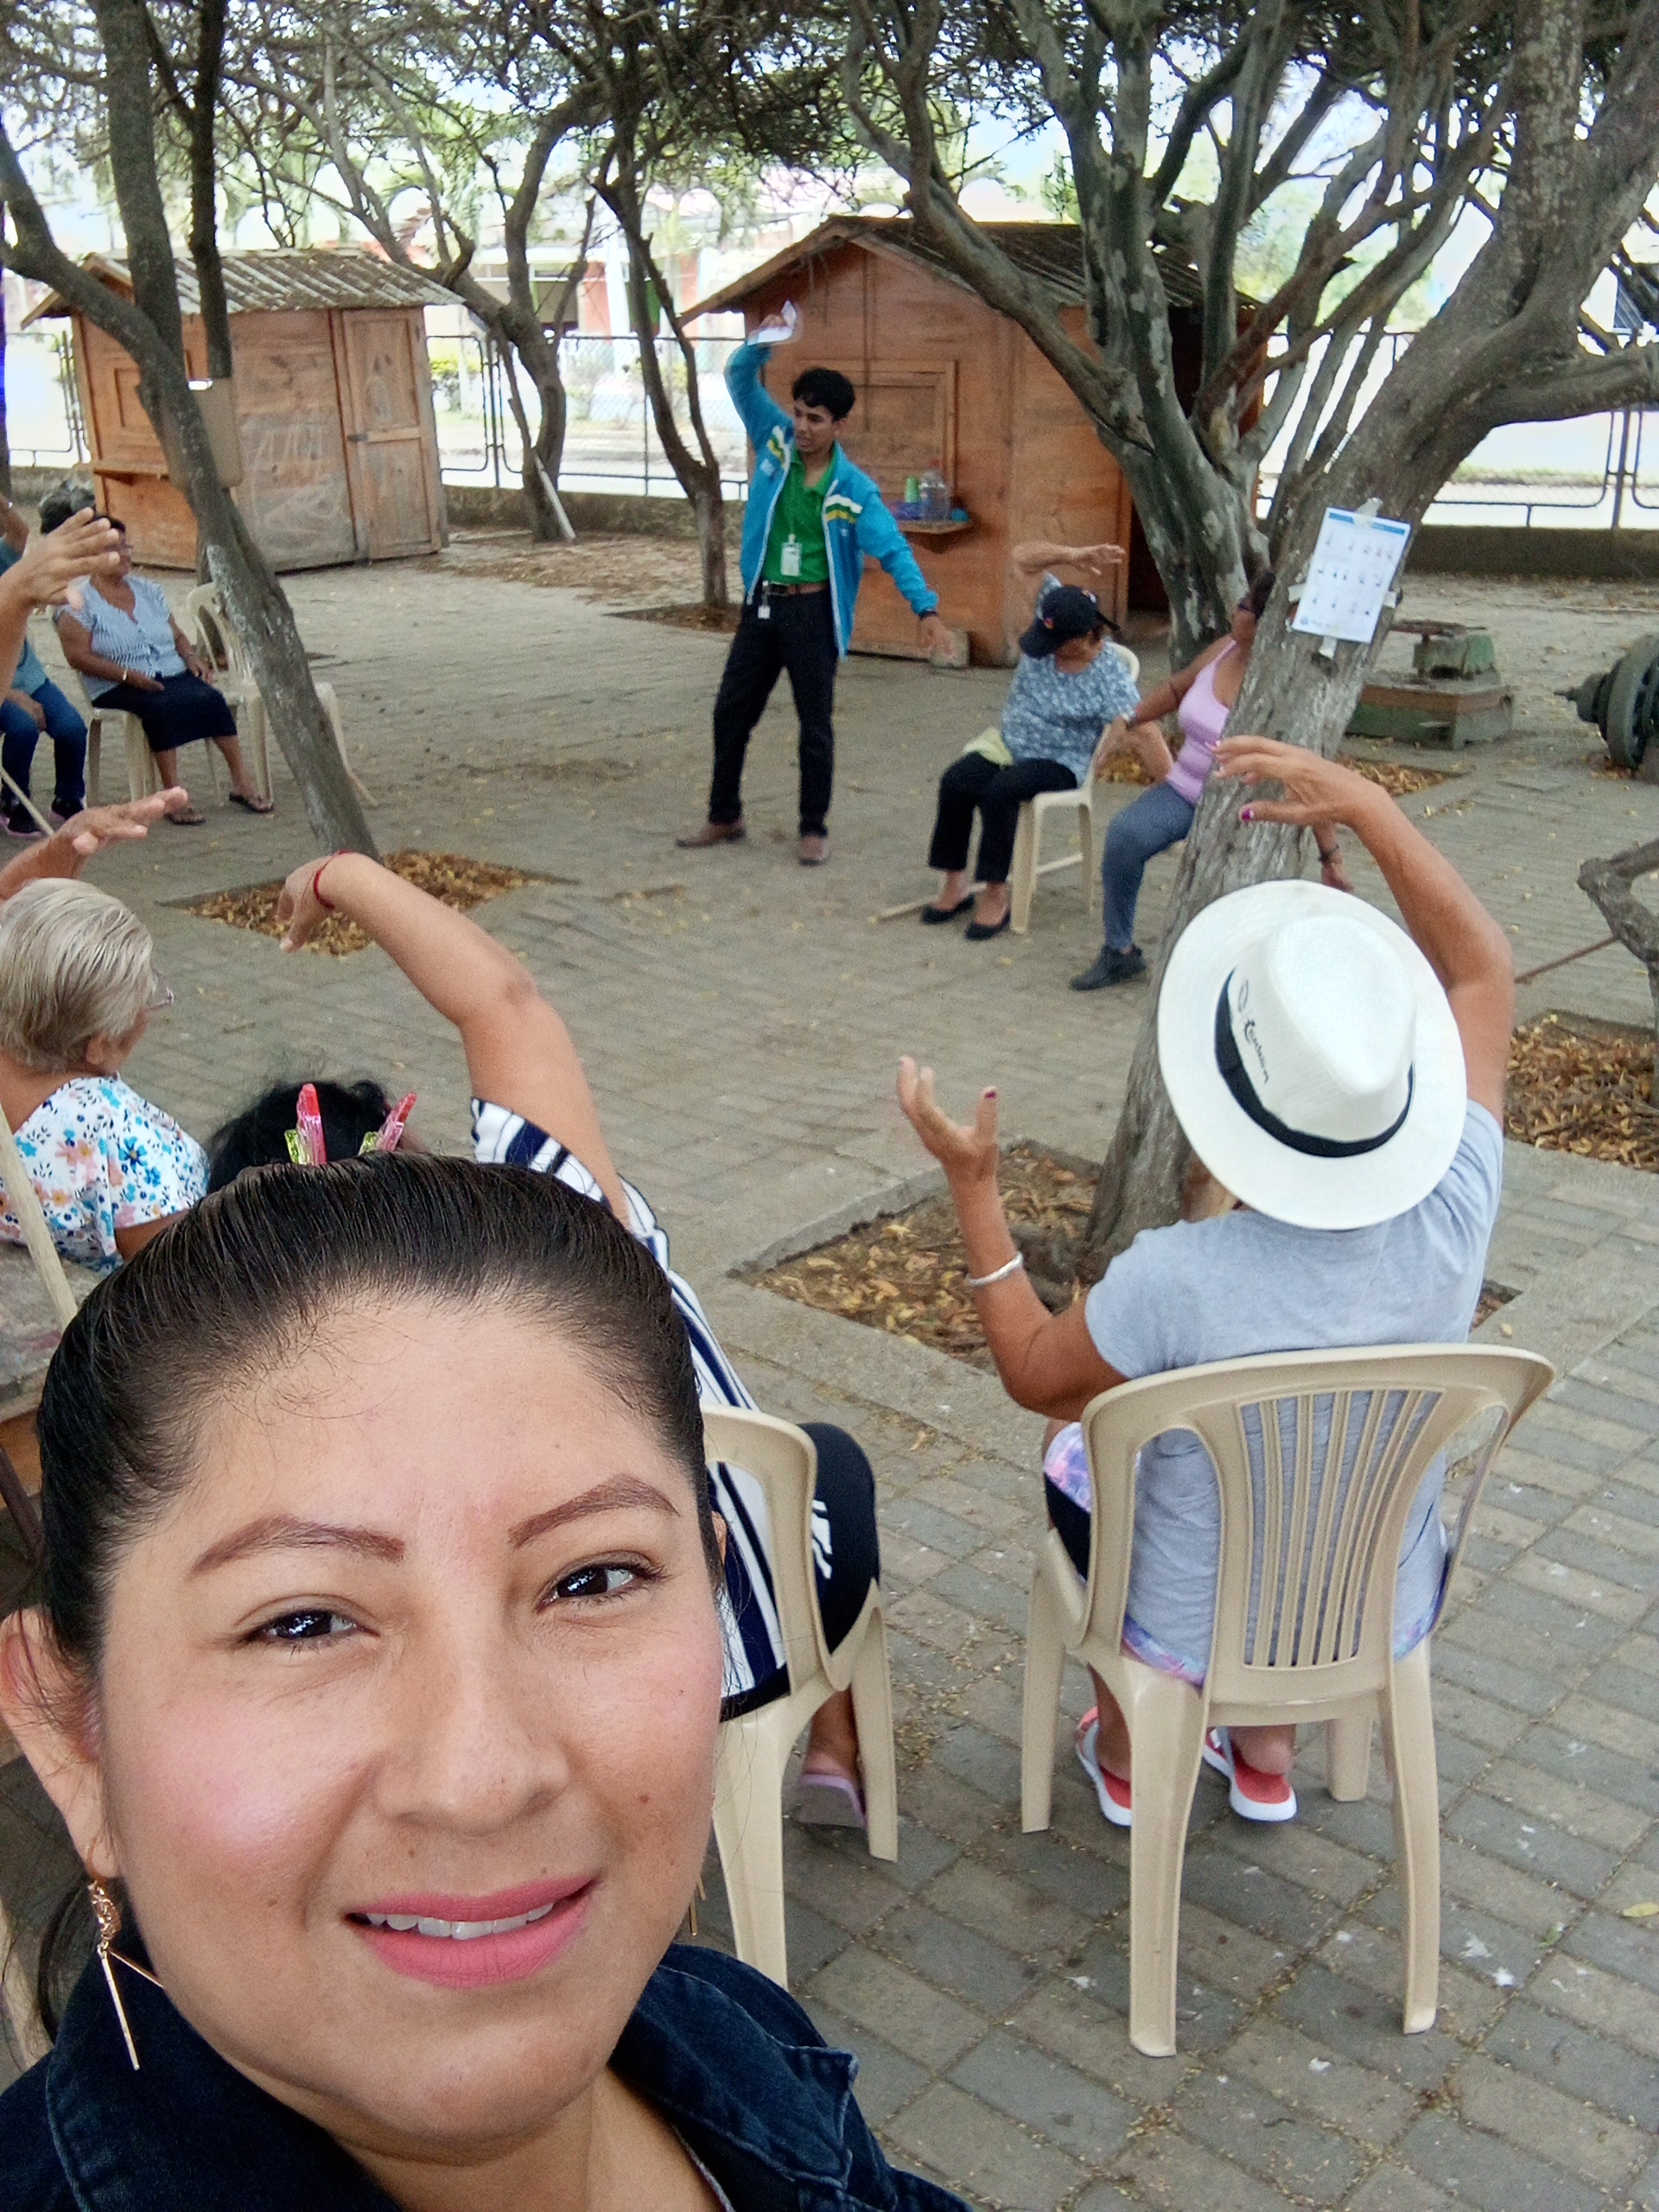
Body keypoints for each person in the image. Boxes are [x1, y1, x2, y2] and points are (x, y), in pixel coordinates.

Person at [0, 1159, 969, 2212]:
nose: (483, 1778)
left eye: (593, 1579)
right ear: (75, 1738)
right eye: (303, 1622)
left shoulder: (737, 2034)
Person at [897, 735, 1512, 1827]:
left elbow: (1032, 1371)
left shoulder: (1177, 1280)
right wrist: (1373, 807)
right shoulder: (1455, 1209)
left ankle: (1130, 1751)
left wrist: (974, 1186)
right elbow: (1480, 972)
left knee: (1076, 1437)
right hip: (1374, 1602)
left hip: (1191, 1625)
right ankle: (1268, 1749)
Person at [205, 851, 883, 1823]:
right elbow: (505, 1003)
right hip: (746, 1636)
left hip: (544, 1703)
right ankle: (836, 1745)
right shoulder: (566, 1230)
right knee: (826, 1456)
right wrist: (338, 876)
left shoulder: (282, 1397)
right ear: (414, 1161)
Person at [678, 307, 954, 867]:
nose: (803, 426)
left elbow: (893, 550)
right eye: (800, 413)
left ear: (839, 426)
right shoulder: (774, 441)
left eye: (816, 419)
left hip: (812, 614)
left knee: (814, 727)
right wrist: (764, 342)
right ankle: (725, 815)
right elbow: (738, 377)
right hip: (762, 604)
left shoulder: (853, 489)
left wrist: (926, 609)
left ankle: (813, 828)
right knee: (730, 712)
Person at [1070, 569, 1346, 991]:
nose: (1237, 611)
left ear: (1272, 623)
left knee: (1220, 889)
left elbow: (1307, 775)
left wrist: (1331, 855)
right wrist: (1132, 718)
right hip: (1185, 790)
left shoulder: (1283, 684)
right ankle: (1119, 951)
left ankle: (1228, 975)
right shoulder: (1225, 648)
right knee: (1125, 836)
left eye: (1247, 608)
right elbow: (1176, 689)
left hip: (1241, 808)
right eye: (1242, 603)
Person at [0, 853, 204, 1274]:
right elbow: (181, 1280)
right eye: (144, 998)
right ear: (98, 1047)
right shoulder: (123, 1140)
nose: (147, 1010)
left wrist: (62, 848)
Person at [922, 540, 1135, 940]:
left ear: (1079, 640)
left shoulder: (1107, 671)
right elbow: (1021, 558)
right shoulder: (1053, 611)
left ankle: (996, 892)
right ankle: (955, 882)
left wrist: (1110, 747)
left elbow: (1129, 716)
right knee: (957, 781)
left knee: (1000, 792)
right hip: (1009, 743)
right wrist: (1073, 555)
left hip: (1060, 760)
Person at [53, 517, 271, 823]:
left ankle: (241, 783)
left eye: (126, 546)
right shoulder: (78, 602)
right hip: (116, 683)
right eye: (115, 549)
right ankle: (173, 795)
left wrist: (191, 657)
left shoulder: (148, 590)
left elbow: (177, 635)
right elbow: (78, 657)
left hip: (168, 672)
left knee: (210, 697)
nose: (125, 555)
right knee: (160, 706)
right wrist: (129, 676)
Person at [0, 492, 90, 838]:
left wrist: (2, 502)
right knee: (23, 727)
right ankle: (12, 803)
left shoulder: (4, 563)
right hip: (4, 689)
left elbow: (20, 532)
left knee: (72, 728)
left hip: (31, 676)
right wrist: (14, 696)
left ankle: (67, 799)